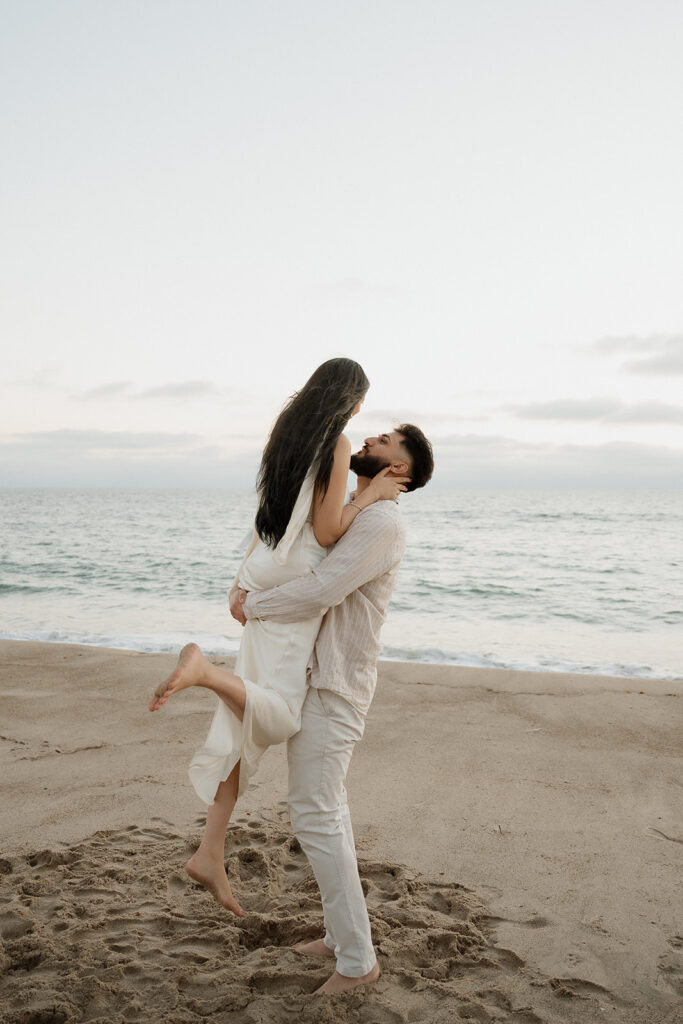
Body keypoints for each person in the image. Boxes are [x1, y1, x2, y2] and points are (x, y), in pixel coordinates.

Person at [148, 358, 407, 917]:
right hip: (293, 577)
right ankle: (205, 674)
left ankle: (209, 851)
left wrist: (244, 580)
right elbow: (328, 530)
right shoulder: (335, 442)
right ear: (350, 398)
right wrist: (371, 498)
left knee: (248, 716)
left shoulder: (289, 432)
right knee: (282, 716)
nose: (361, 415)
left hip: (265, 563)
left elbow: (274, 514)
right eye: (361, 403)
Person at [230, 424, 434, 994]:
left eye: (387, 441)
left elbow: (323, 588)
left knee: (317, 815)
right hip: (317, 678)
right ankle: (339, 936)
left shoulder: (382, 522)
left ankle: (357, 963)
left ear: (403, 471)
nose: (371, 439)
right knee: (326, 814)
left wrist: (255, 607)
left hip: (336, 686)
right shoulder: (358, 508)